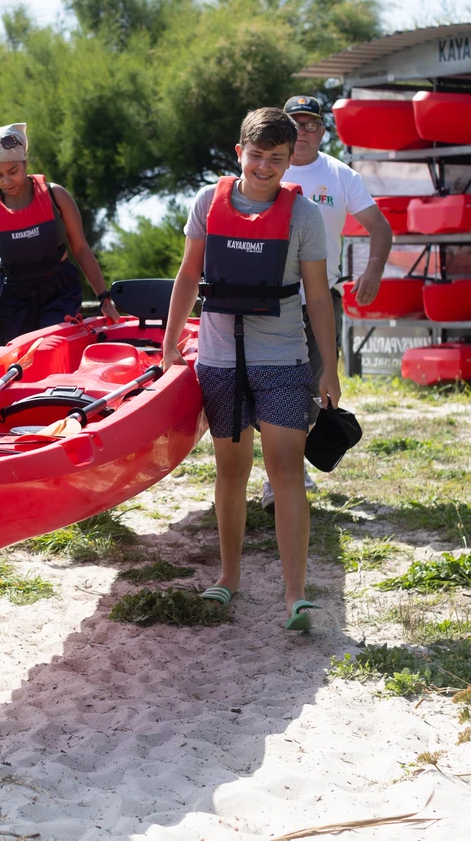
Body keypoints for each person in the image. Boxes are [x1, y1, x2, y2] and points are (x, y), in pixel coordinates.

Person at [160, 108, 340, 632]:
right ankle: (229, 578)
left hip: (284, 359)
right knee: (231, 472)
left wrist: (328, 367)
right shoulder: (205, 203)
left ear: (290, 163)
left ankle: (295, 596)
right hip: (219, 360)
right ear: (240, 153)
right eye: (257, 156)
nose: (265, 167)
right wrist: (171, 343)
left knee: (287, 472)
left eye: (277, 160)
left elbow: (319, 298)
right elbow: (188, 274)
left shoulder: (303, 216)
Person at [262, 95, 394, 513]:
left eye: (311, 125)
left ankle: (289, 471)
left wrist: (372, 271)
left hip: (320, 300)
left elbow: (380, 228)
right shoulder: (266, 169)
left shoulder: (339, 174)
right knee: (276, 387)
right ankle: (277, 477)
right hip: (267, 300)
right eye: (295, 123)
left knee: (313, 387)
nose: (303, 131)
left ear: (323, 130)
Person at [0, 123, 121, 343]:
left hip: (59, 291)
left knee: (51, 347)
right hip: (11, 297)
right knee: (20, 362)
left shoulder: (55, 195)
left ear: (25, 163)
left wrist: (103, 297)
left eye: (13, 172)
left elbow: (81, 248)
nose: (6, 181)